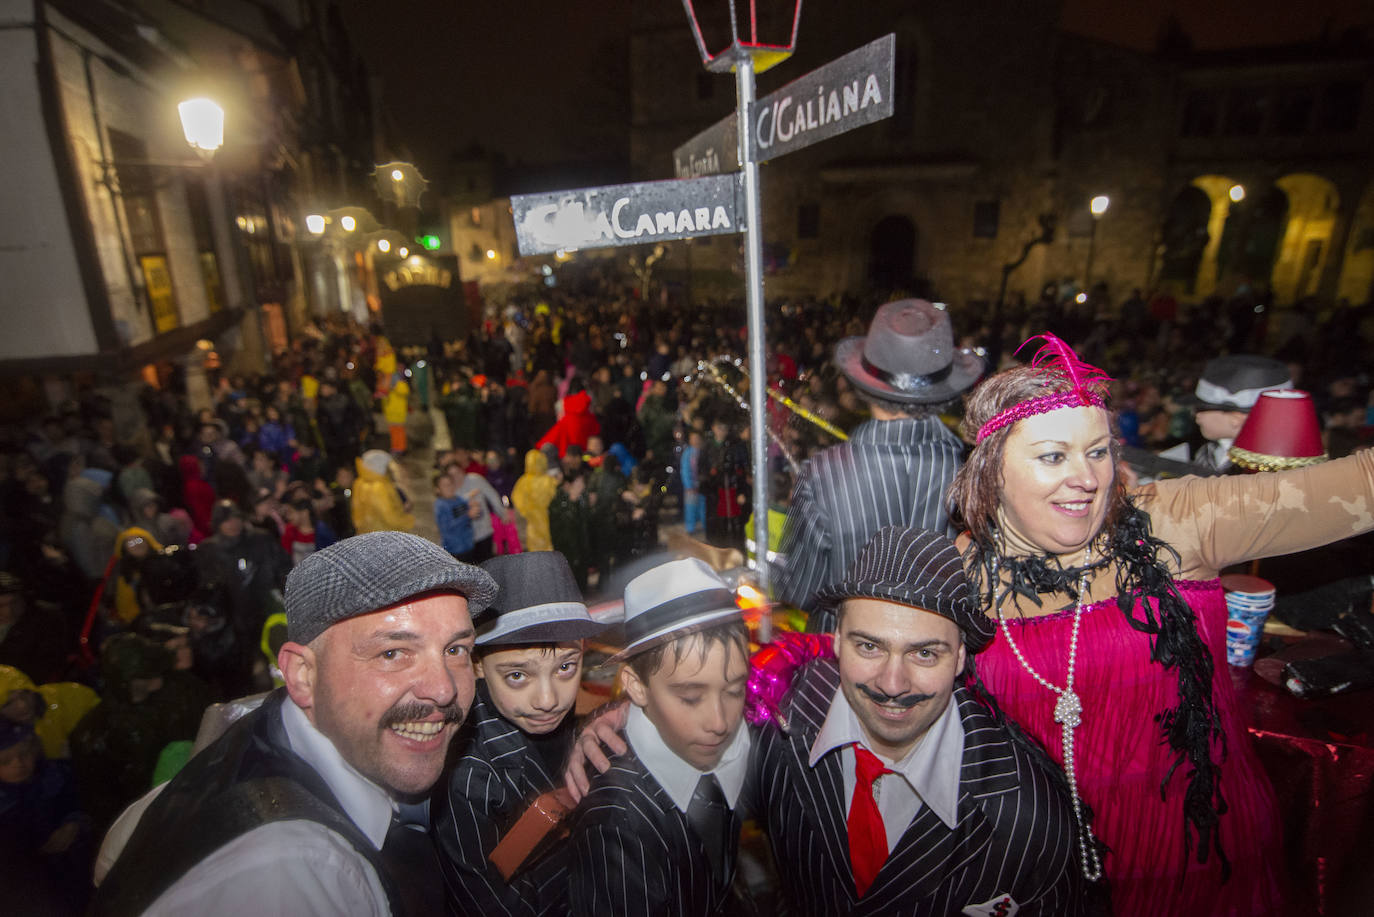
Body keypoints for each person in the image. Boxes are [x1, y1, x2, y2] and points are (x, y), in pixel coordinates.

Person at [946, 333, 1374, 916]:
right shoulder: (959, 575)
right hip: (1046, 861)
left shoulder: (1177, 523)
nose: (1087, 477)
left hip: (1203, 848)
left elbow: (1360, 488)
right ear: (993, 469)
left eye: (1098, 452)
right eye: (1053, 456)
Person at [91, 531, 498, 916]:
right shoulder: (302, 876)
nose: (443, 689)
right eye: (393, 653)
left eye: (456, 649)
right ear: (302, 674)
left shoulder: (255, 737)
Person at [752, 526, 1086, 915]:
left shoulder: (1026, 817)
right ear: (837, 640)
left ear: (960, 657)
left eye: (925, 654)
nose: (893, 685)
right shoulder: (782, 726)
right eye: (869, 646)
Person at [776, 299, 984, 630]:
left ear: (866, 385)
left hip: (845, 655)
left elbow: (801, 589)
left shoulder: (823, 472)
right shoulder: (975, 470)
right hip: (938, 654)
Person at [568, 558, 752, 916]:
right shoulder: (618, 825)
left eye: (734, 690)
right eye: (690, 697)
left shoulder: (744, 738)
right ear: (636, 686)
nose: (719, 723)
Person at [433, 552, 603, 917]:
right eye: (517, 676)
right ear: (477, 664)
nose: (548, 700)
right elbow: (489, 905)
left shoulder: (569, 715)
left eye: (566, 667)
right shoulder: (469, 781)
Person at [1171, 354, 1293, 475]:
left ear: (1236, 419)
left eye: (1200, 409)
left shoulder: (1262, 470)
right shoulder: (1208, 451)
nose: (1195, 415)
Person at [352, 450, 415, 534]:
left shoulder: (359, 482)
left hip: (366, 533)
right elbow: (390, 517)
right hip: (382, 533)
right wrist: (408, 521)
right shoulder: (378, 488)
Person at [512, 449, 558, 553]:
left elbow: (518, 513)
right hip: (551, 531)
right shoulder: (550, 481)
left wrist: (522, 538)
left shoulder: (521, 483)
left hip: (530, 533)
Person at [433, 471, 475, 562]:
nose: (449, 487)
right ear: (437, 489)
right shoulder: (440, 505)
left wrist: (474, 507)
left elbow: (472, 514)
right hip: (455, 549)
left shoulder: (458, 499)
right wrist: (467, 516)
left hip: (468, 544)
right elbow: (447, 527)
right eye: (445, 485)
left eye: (451, 484)